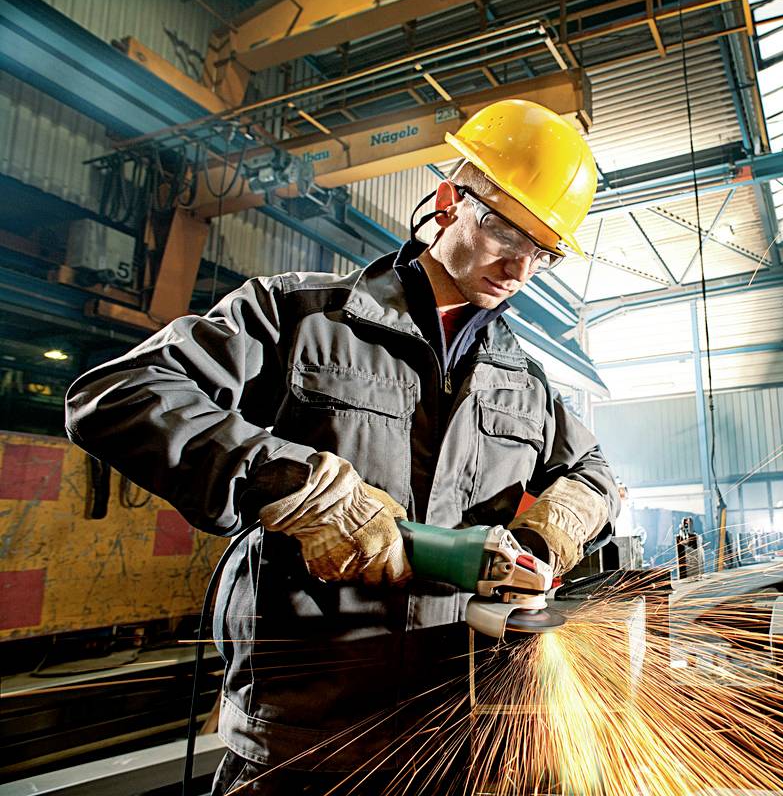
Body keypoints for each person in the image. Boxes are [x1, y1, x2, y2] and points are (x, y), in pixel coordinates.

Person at [64, 99, 620, 794]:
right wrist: (291, 485)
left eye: (544, 251)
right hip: (304, 744)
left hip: (454, 744)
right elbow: (118, 394)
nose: (520, 267)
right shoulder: (297, 316)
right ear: (448, 202)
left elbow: (594, 472)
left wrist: (549, 534)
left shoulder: (525, 381)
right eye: (505, 230)